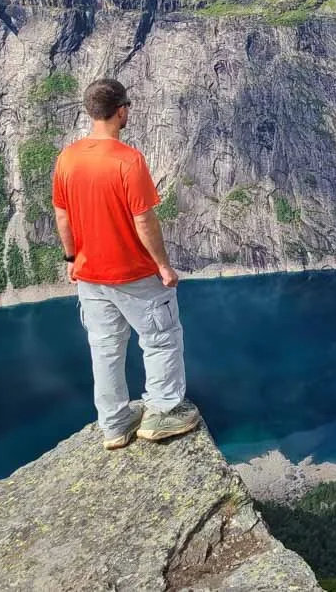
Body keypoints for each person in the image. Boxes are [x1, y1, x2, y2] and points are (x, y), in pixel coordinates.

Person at [52, 78, 200, 450]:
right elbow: (144, 220)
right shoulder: (128, 161)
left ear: (91, 112)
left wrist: (71, 258)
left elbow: (62, 215)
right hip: (133, 273)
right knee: (161, 339)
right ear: (121, 111)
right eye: (128, 108)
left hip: (89, 275)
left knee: (104, 348)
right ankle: (163, 413)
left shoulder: (67, 157)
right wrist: (164, 266)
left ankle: (115, 424)